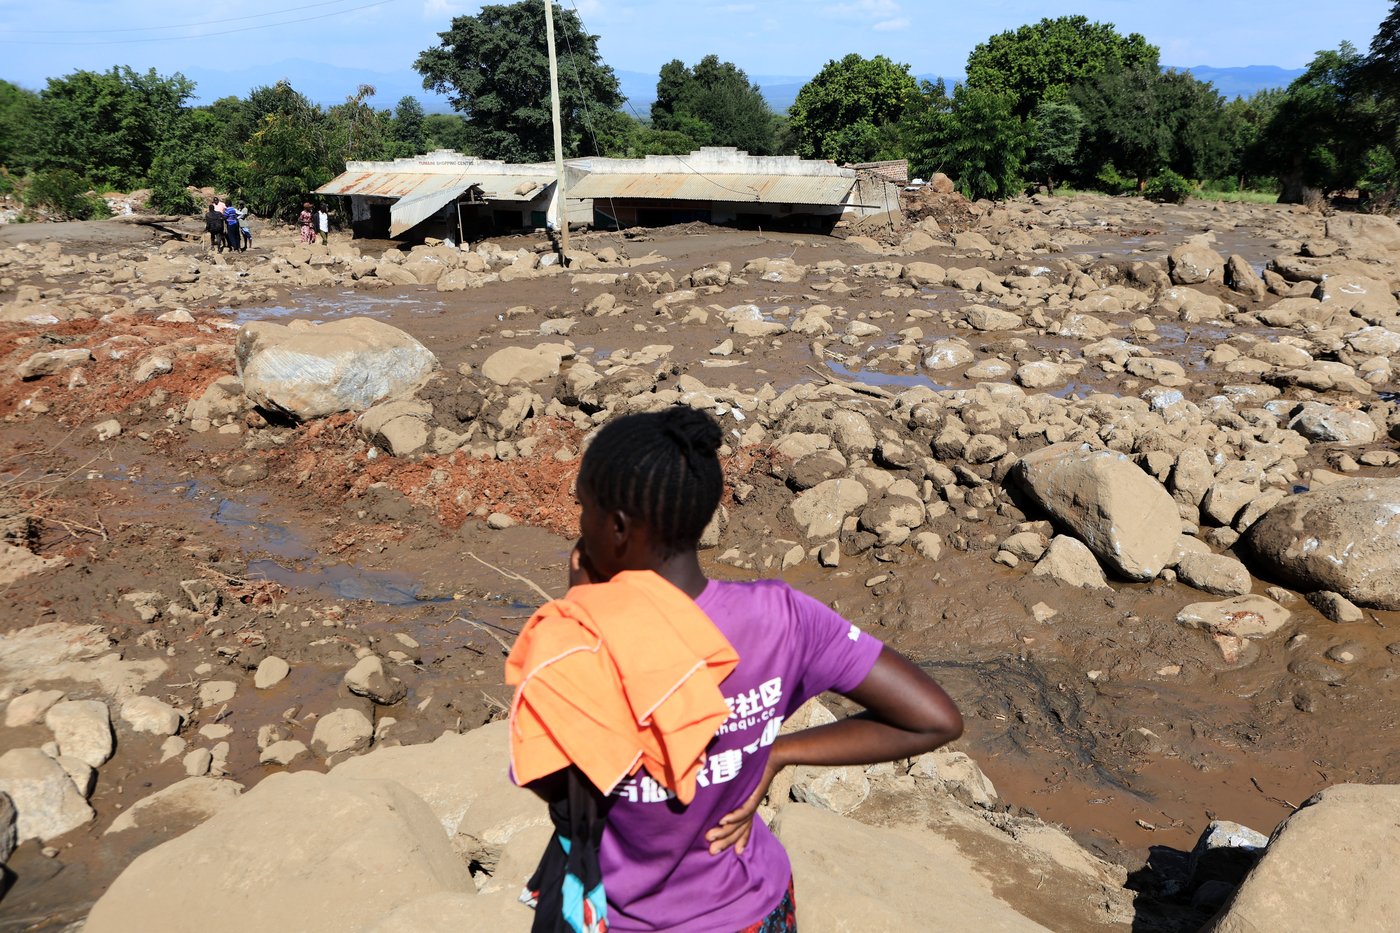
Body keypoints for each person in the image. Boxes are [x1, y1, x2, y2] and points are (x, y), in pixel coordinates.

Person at [518, 406, 963, 932]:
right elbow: (934, 719)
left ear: (616, 527)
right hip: (751, 905)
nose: (579, 524)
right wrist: (778, 752)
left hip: (621, 916)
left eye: (584, 508)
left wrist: (580, 614)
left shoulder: (574, 644)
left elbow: (555, 787)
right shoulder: (782, 615)